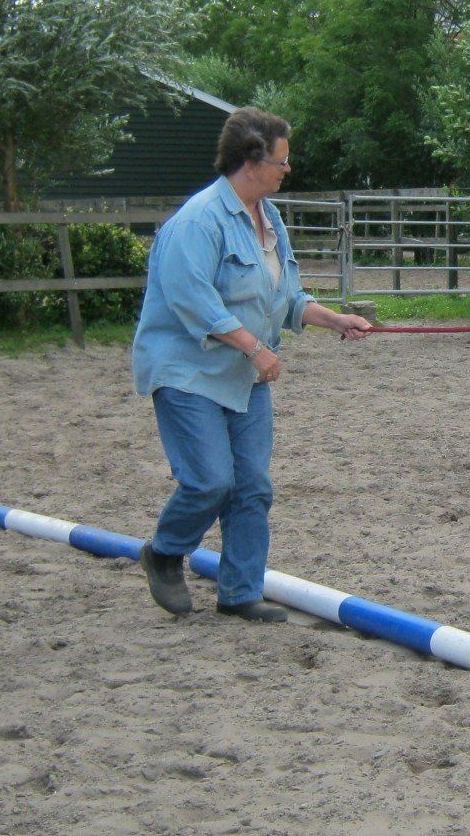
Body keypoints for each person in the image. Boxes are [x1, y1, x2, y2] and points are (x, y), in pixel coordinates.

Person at [131, 107, 372, 622]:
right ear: (251, 161)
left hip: (244, 376)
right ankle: (165, 553)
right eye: (281, 161)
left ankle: (239, 592)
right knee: (209, 481)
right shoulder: (197, 222)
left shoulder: (269, 218)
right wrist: (254, 348)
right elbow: (192, 300)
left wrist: (334, 319)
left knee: (252, 488)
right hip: (188, 373)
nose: (288, 169)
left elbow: (284, 296)